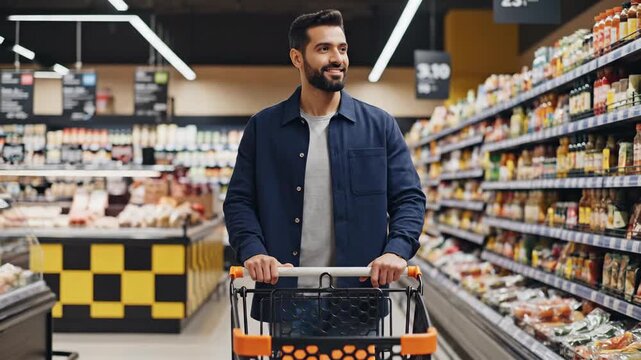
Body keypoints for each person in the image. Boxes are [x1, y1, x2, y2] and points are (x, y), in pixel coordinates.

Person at [224, 9, 426, 325]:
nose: (337, 58)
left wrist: (397, 250)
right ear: (297, 58)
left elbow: (409, 199)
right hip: (286, 297)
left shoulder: (379, 126)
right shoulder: (263, 129)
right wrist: (252, 250)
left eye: (342, 49)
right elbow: (239, 201)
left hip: (358, 297)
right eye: (324, 49)